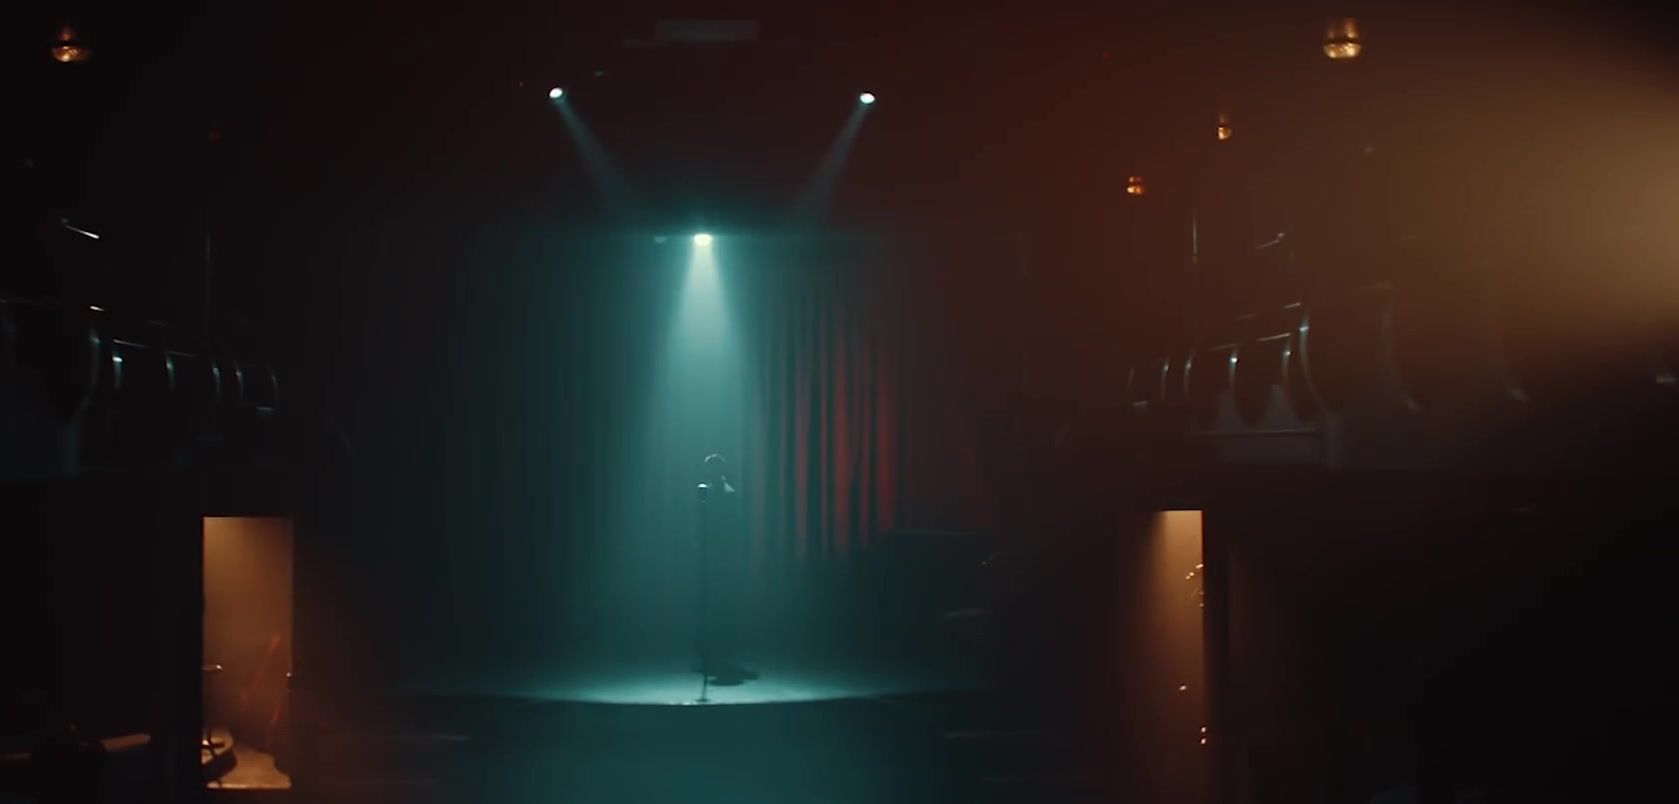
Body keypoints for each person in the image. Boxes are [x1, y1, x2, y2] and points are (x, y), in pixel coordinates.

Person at [697, 453, 755, 684]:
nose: (707, 473)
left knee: (721, 607)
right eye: (706, 469)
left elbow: (731, 527)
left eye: (711, 469)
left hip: (722, 557)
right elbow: (699, 519)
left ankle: (722, 655)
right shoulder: (708, 490)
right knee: (708, 606)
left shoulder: (727, 494)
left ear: (719, 471)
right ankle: (711, 655)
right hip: (710, 555)